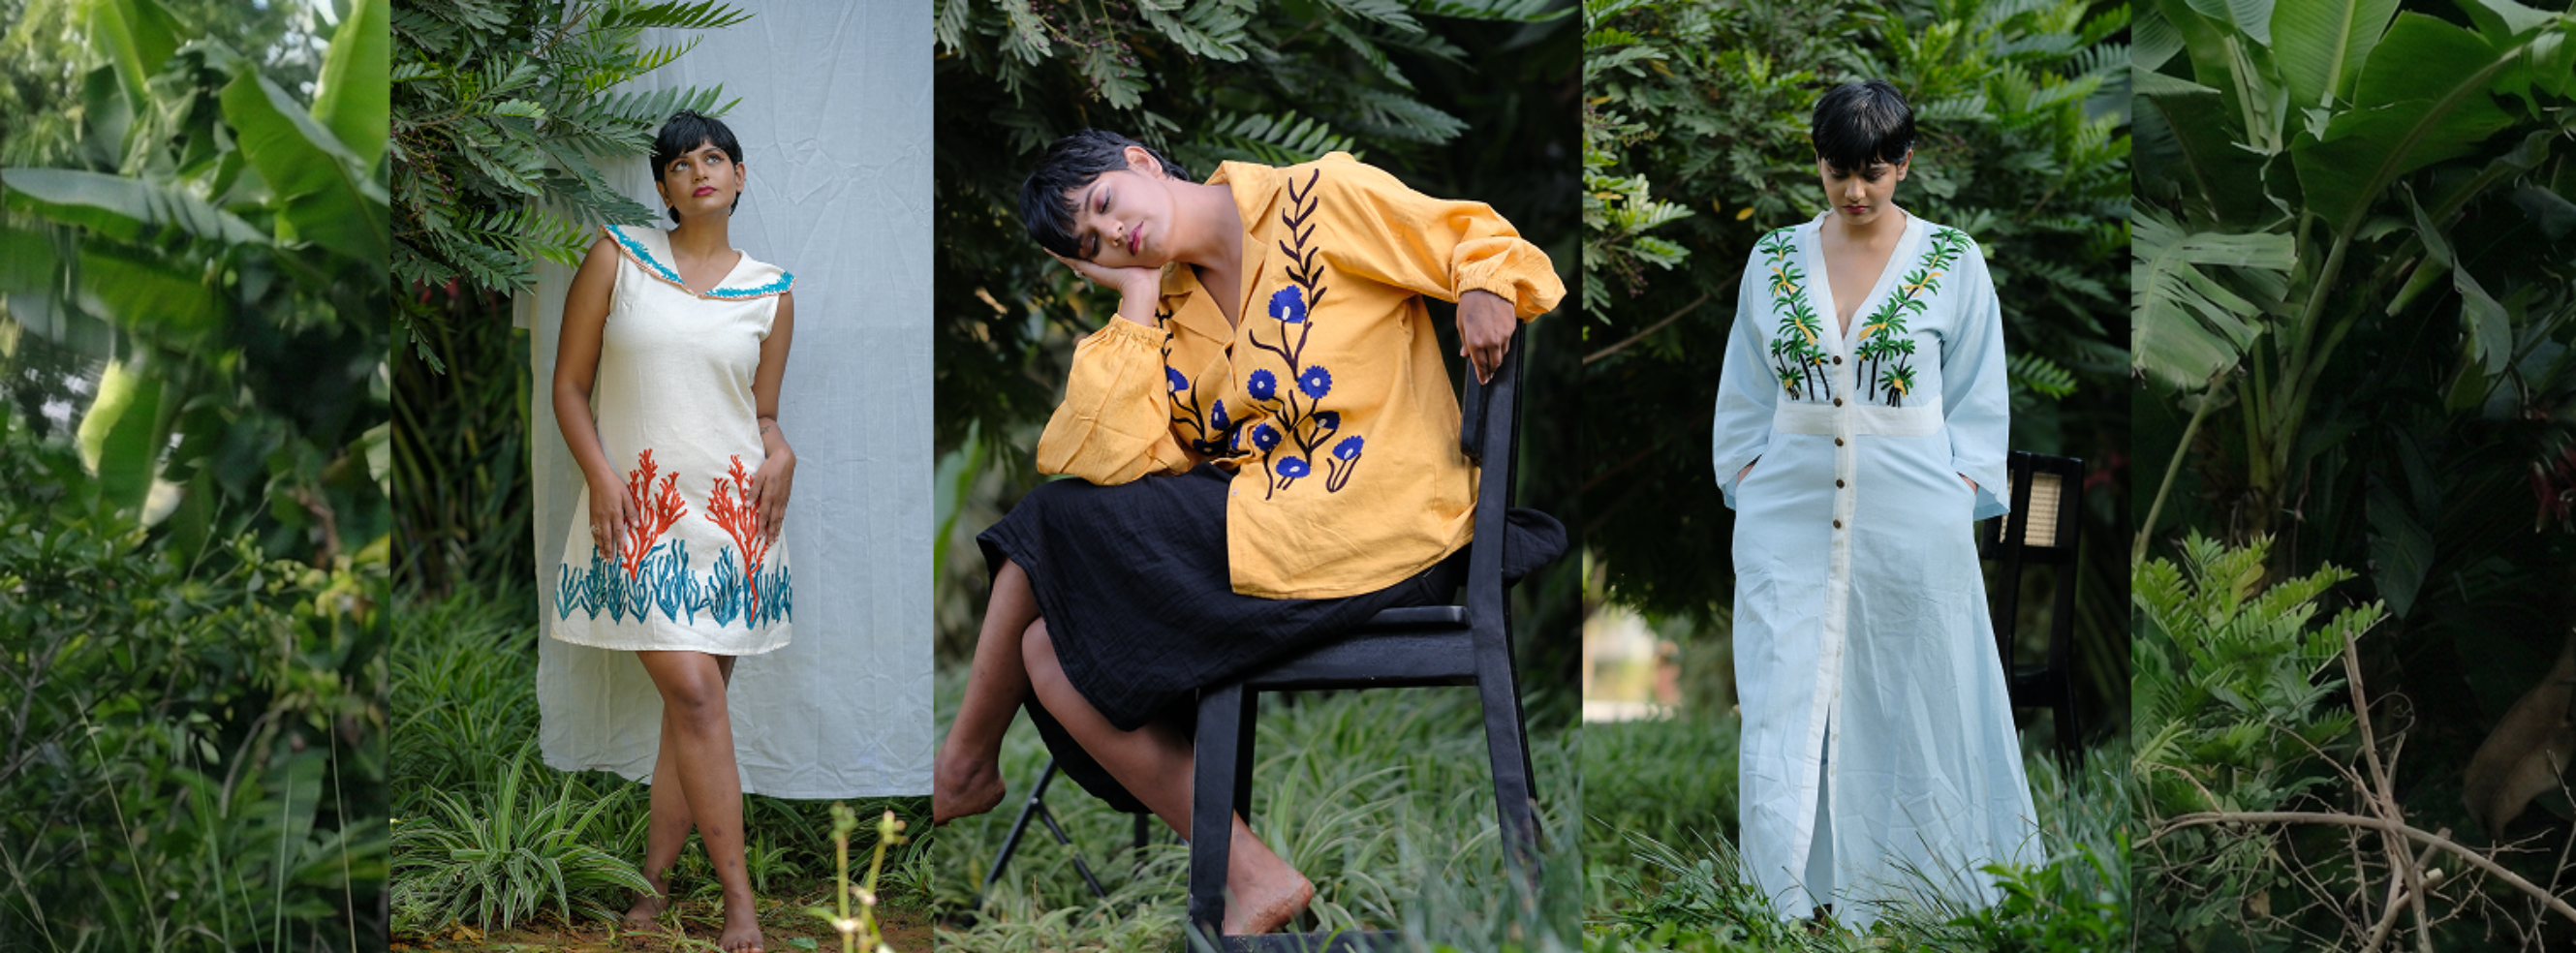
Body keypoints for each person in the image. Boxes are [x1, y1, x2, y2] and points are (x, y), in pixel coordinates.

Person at [932, 130, 1566, 936]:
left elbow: (1478, 238)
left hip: (1385, 528)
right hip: (1265, 539)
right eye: (1091, 244)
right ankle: (1254, 877)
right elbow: (1099, 462)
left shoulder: (1319, 198)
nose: (1113, 234)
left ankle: (962, 764)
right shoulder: (1168, 311)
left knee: (1046, 525)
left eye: (1104, 204)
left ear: (1139, 160)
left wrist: (1481, 286)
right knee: (1045, 651)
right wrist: (1136, 294)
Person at [1708, 79, 2035, 926]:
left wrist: (1962, 489)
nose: (1854, 191)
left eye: (1874, 172)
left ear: (1905, 163)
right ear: (1816, 163)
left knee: (1916, 696)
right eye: (1837, 172)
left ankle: (1921, 896)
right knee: (1782, 700)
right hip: (1784, 516)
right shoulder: (1772, 259)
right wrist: (1747, 473)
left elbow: (1980, 394)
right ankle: (1786, 902)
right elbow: (1744, 385)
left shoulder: (1952, 260)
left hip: (1913, 519)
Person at [550, 110, 795, 953]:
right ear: (662, 186)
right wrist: (600, 476)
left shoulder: (770, 290)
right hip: (638, 516)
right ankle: (740, 906)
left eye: (715, 158)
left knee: (690, 716)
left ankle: (651, 891)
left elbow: (762, 414)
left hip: (732, 526)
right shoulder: (617, 258)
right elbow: (569, 387)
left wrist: (782, 449)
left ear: (738, 175)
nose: (700, 172)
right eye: (681, 164)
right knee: (695, 697)